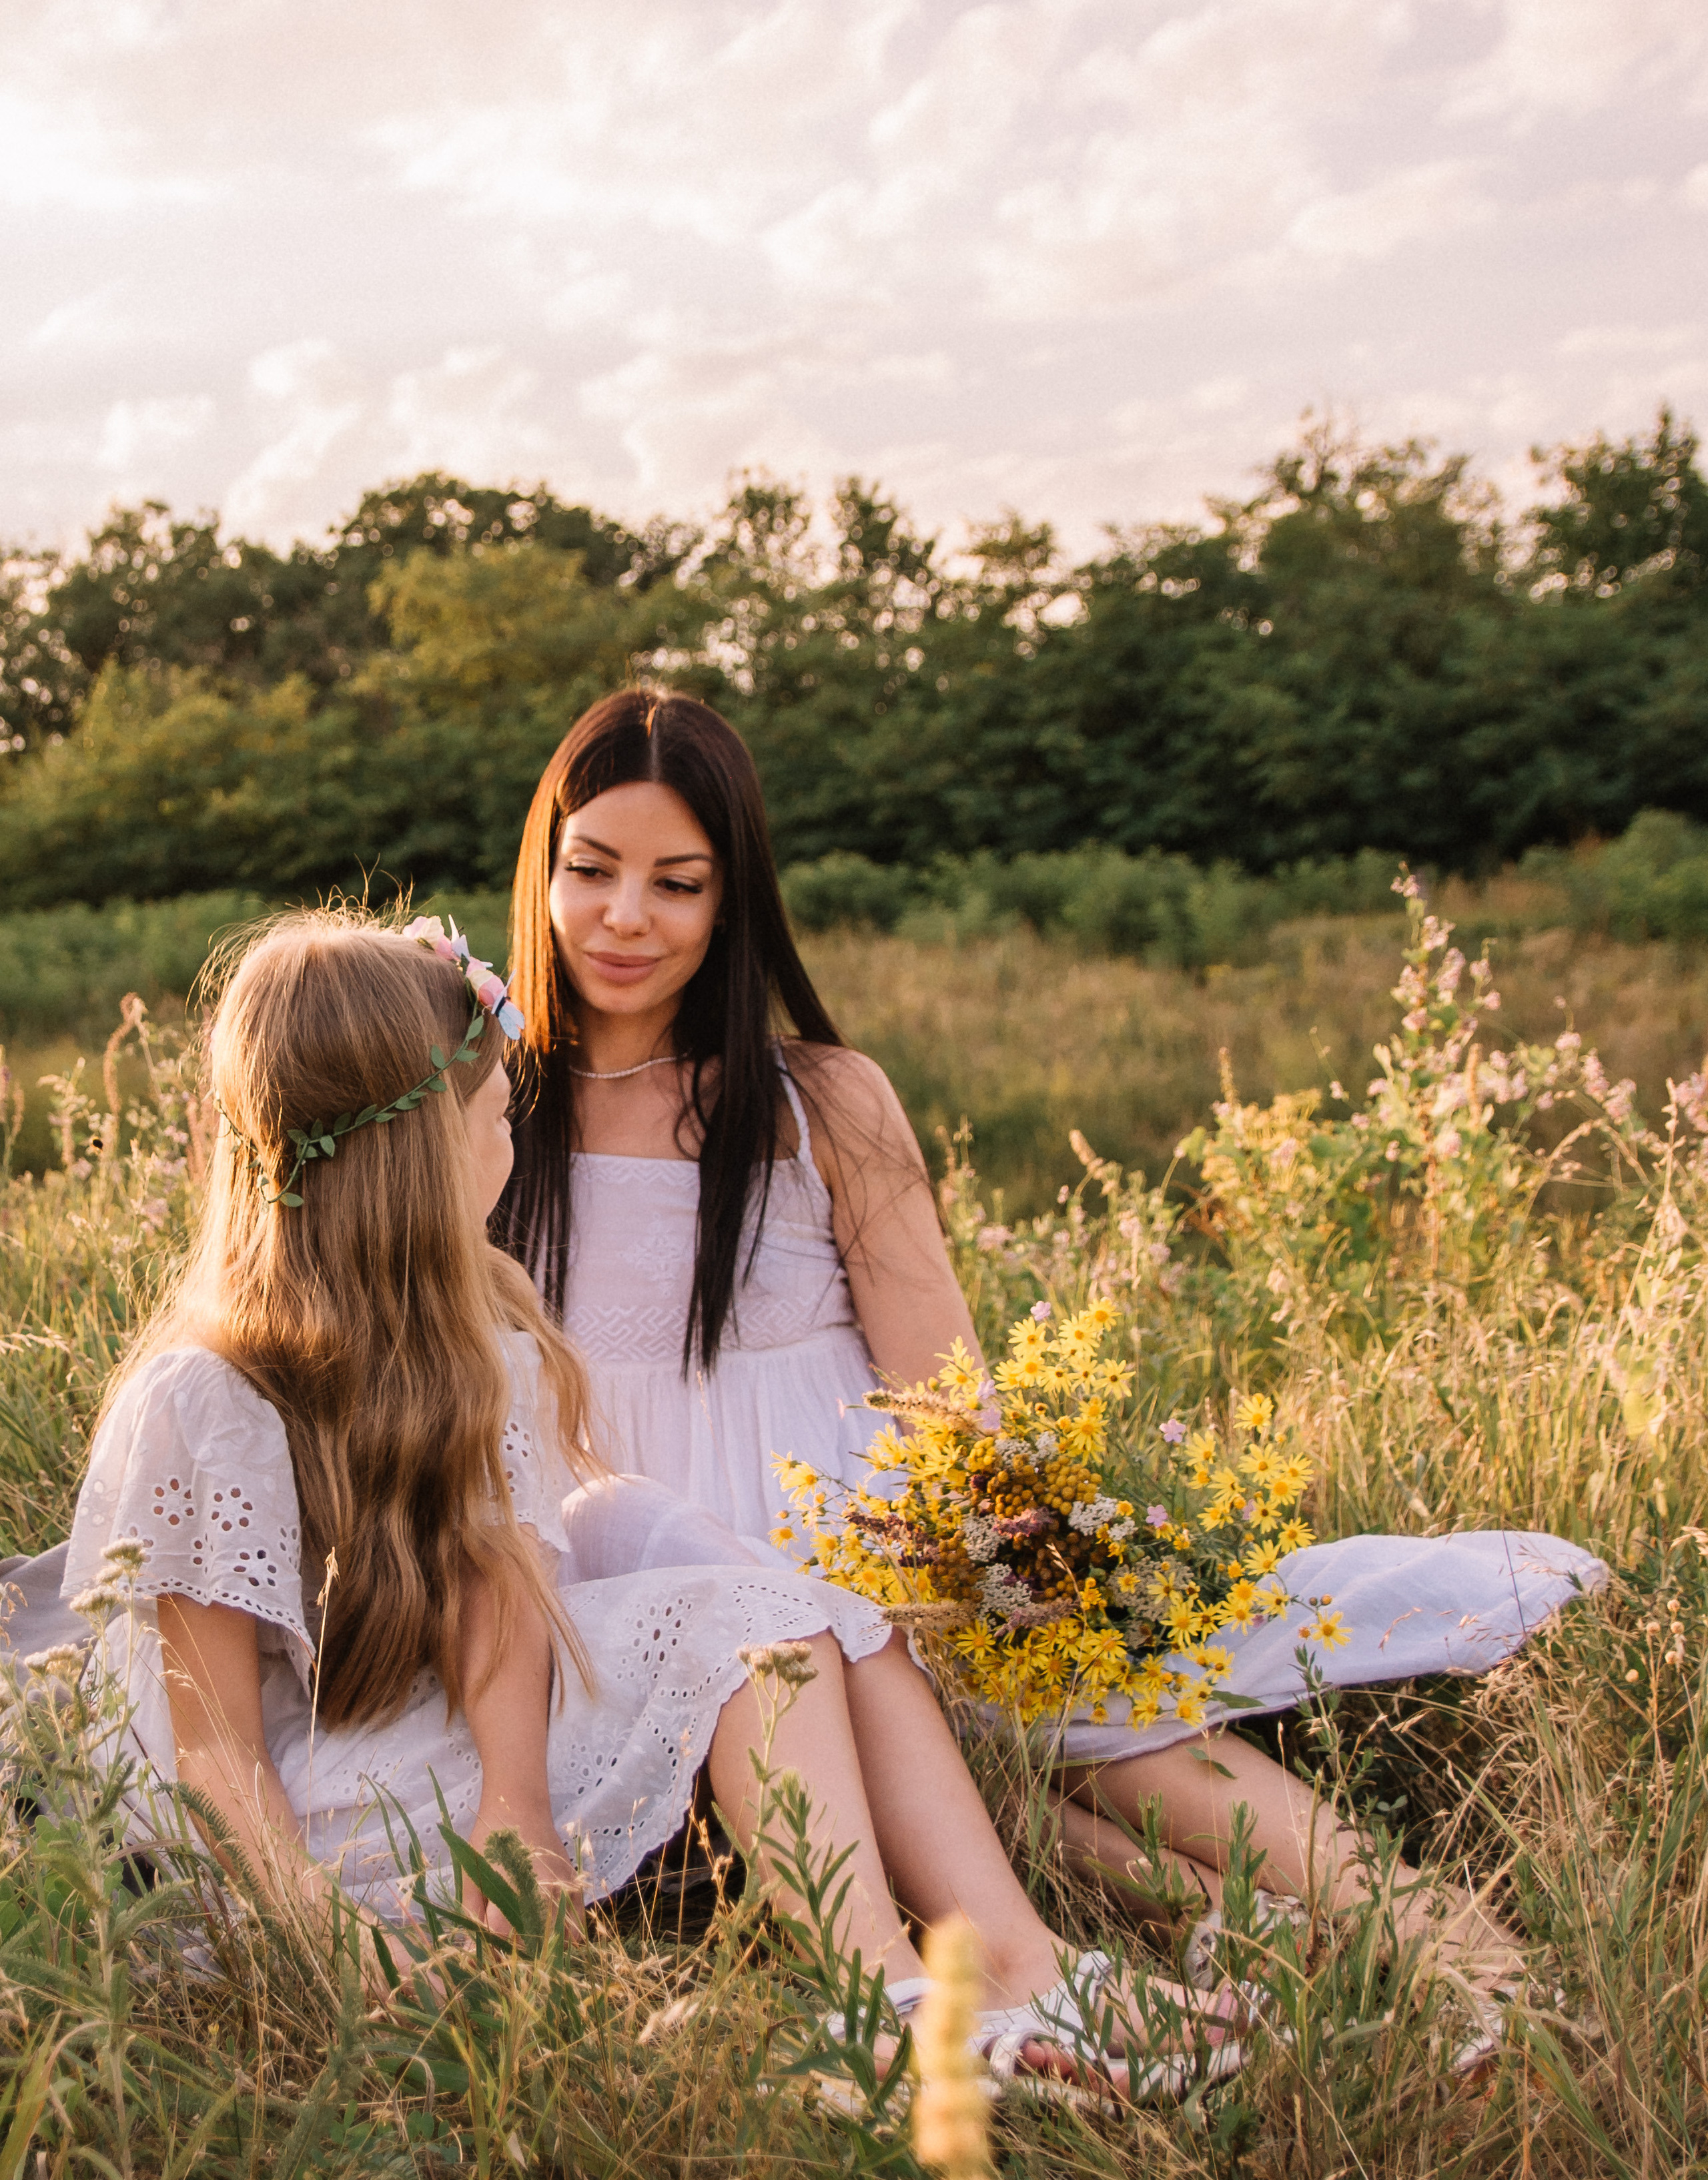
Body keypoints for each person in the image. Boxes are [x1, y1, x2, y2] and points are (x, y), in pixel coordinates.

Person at [495, 688, 1607, 2053]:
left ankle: (1456, 1951)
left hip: (866, 1536)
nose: (625, 918)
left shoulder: (816, 1101)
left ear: (733, 902)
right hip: (653, 1577)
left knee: (1093, 1730)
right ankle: (1238, 1943)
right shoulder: (488, 1108)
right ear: (543, 870)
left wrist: (1004, 1578)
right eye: (592, 870)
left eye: (677, 883)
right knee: (977, 1793)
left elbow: (942, 1389)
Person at [46, 906, 1242, 2097]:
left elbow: (498, 1589)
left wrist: (519, 1810)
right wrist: (333, 1946)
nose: (512, 1141)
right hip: (294, 1811)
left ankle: (914, 1986)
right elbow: (215, 1750)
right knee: (734, 1621)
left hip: (434, 1732)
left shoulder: (479, 1342)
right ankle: (919, 1999)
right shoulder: (204, 1399)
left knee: (759, 1616)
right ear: (423, 1159)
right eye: (495, 1119)